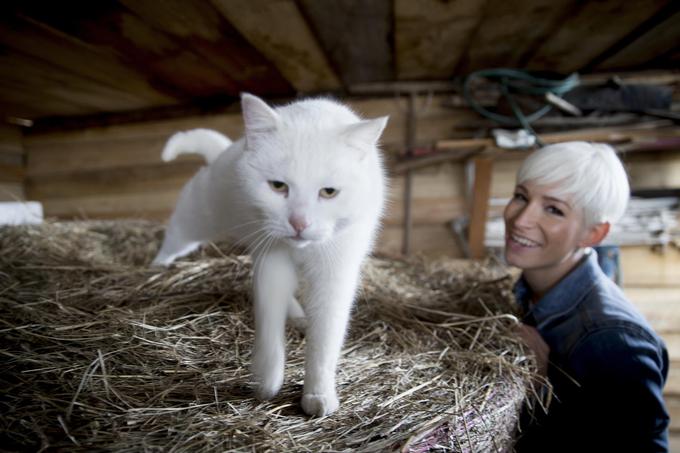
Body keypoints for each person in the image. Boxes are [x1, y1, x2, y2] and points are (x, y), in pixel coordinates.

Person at [504, 141, 669, 452]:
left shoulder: (613, 342)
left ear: (593, 235)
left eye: (553, 209)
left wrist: (540, 387)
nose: (521, 219)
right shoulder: (531, 291)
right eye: (521, 196)